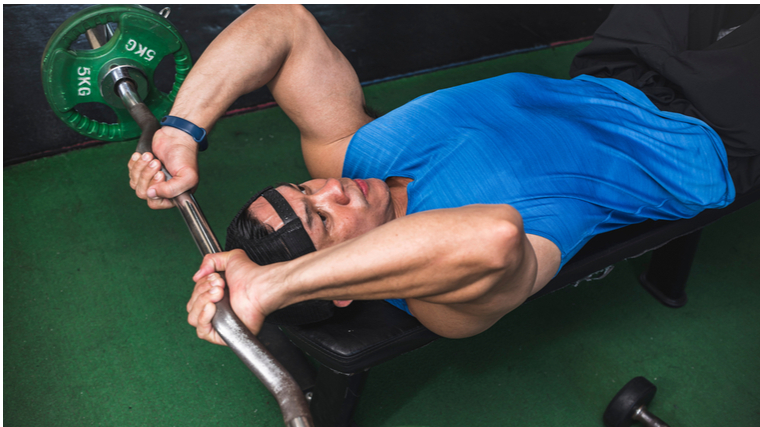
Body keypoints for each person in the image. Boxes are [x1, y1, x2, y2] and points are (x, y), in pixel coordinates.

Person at [128, 5, 756, 345]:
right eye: (323, 218)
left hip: (614, 71)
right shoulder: (441, 300)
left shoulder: (350, 161)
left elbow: (283, 22)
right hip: (711, 128)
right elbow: (492, 238)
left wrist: (181, 132)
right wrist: (269, 288)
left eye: (303, 188)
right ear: (341, 284)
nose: (330, 189)